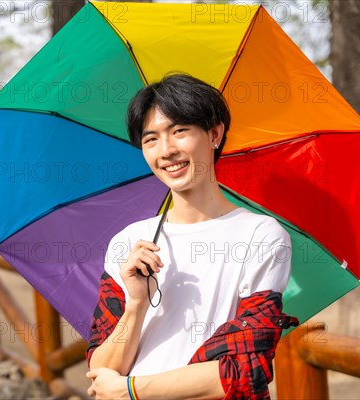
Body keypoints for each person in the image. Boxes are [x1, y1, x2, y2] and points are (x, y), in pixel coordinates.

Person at [85, 74, 298, 399]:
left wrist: (131, 389)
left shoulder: (261, 236)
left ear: (214, 133)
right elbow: (100, 371)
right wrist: (137, 304)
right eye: (150, 139)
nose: (166, 150)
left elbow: (241, 373)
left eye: (179, 131)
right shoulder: (129, 242)